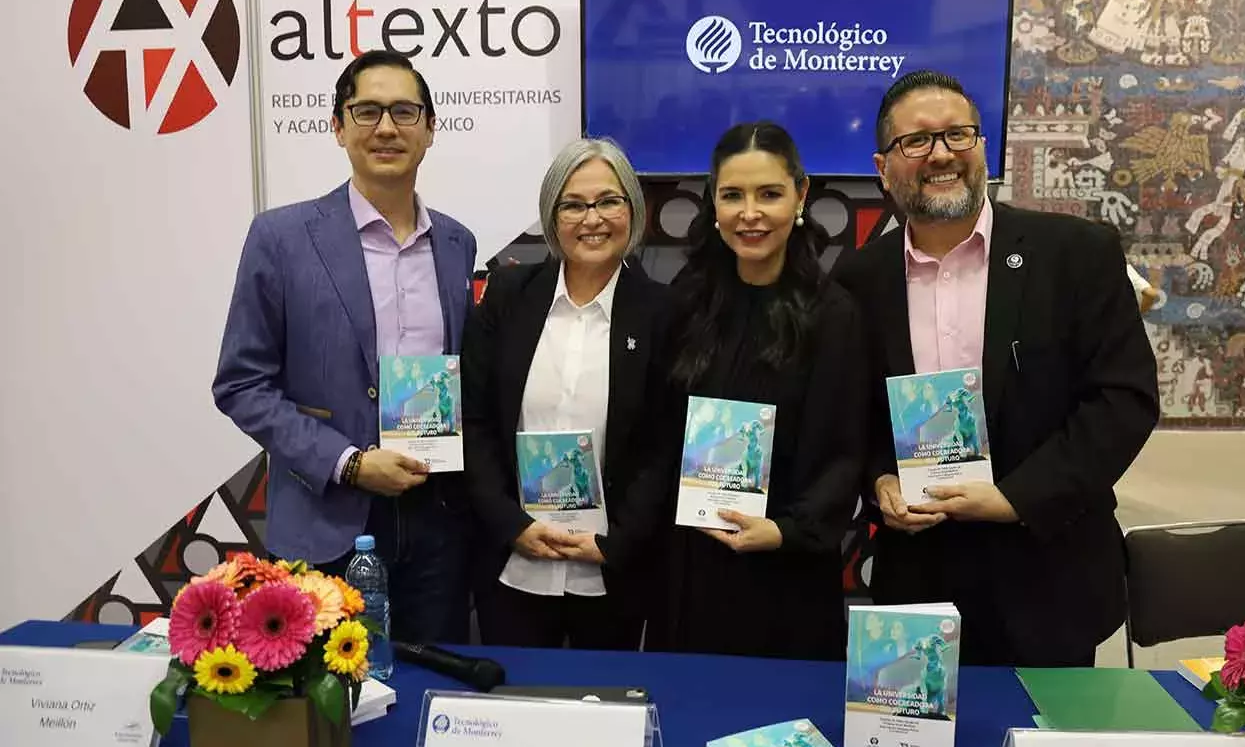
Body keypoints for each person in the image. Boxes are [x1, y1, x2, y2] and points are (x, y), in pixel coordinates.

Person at [831, 70, 1159, 667]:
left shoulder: (1077, 255)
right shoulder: (858, 280)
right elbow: (849, 414)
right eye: (917, 142)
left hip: (1047, 569)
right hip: (917, 578)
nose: (941, 155)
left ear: (982, 148)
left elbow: (1123, 402)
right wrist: (879, 482)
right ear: (884, 167)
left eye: (958, 135)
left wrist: (1012, 499)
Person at [213, 49, 477, 643]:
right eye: (367, 111)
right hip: (326, 522)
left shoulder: (457, 243)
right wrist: (350, 464)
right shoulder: (281, 238)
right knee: (332, 712)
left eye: (405, 112)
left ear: (431, 129)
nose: (387, 127)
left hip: (437, 522)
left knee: (433, 692)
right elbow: (241, 384)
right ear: (337, 126)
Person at [642, 122, 867, 661]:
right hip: (690, 570)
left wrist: (786, 531)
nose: (750, 213)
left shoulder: (833, 315)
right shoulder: (685, 303)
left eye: (769, 194)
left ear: (801, 195)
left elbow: (843, 453)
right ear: (712, 203)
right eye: (732, 195)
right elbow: (655, 433)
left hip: (785, 574)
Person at [462, 138, 671, 650]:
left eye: (608, 201)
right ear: (552, 217)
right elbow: (475, 423)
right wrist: (511, 525)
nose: (591, 219)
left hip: (611, 570)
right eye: (573, 204)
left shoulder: (664, 311)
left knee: (603, 714)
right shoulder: (508, 297)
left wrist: (615, 542)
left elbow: (665, 445)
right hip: (514, 563)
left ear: (633, 210)